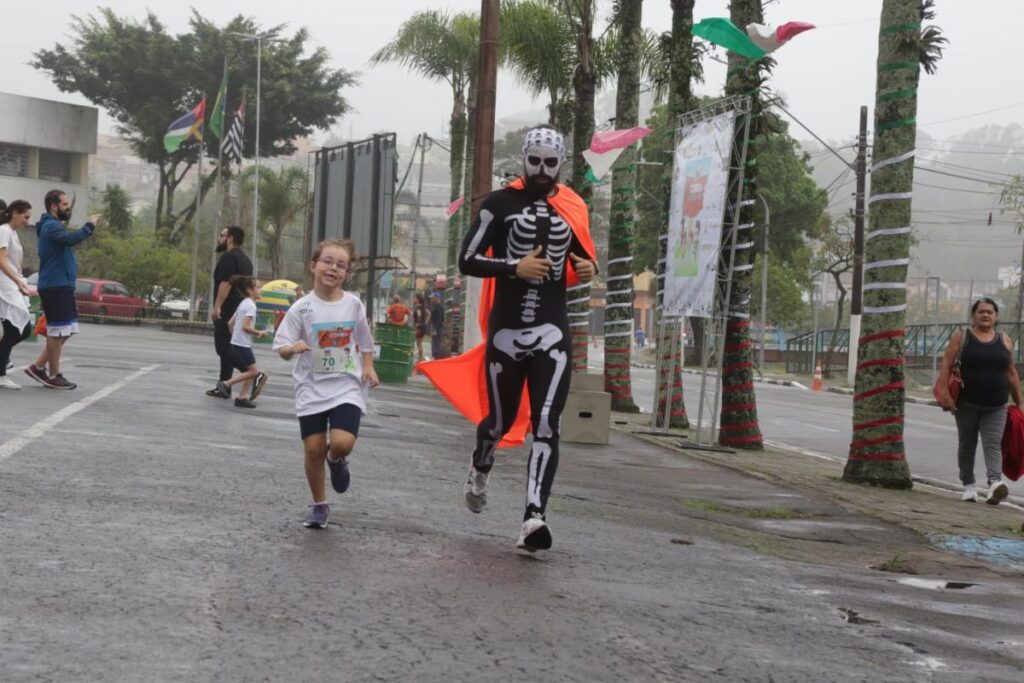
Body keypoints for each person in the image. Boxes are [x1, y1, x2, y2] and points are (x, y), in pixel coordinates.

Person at [451, 126, 597, 551]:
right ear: (523, 159)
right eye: (534, 161)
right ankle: (482, 462)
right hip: (507, 332)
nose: (541, 170)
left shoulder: (572, 207)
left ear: (561, 164)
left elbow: (583, 259)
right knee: (498, 420)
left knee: (548, 423)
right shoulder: (499, 204)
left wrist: (589, 270)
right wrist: (514, 267)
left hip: (552, 331)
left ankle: (534, 516)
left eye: (550, 163)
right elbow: (467, 259)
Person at [273, 239, 379, 529]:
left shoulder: (353, 305)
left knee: (342, 443)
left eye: (340, 265)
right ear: (314, 265)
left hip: (346, 384)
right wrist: (291, 348)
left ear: (347, 272)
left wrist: (368, 367)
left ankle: (336, 459)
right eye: (327, 262)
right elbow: (281, 348)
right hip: (311, 387)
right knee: (312, 449)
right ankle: (319, 505)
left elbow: (366, 342)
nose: (333, 268)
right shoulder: (302, 308)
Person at [938, 298, 1024, 504]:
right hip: (966, 403)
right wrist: (945, 394)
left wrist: (1020, 402)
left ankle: (994, 484)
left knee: (992, 444)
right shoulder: (962, 337)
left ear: (996, 317)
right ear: (973, 316)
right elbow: (947, 365)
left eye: (990, 312)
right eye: (981, 312)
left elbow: (1011, 373)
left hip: (997, 405)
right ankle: (968, 485)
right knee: (967, 444)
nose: (985, 315)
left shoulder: (1005, 340)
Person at [24, 190, 99, 390]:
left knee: (68, 329)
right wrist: (90, 225)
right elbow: (71, 239)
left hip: (63, 285)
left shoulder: (55, 226)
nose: (68, 208)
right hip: (55, 286)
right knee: (57, 331)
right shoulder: (50, 226)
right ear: (54, 206)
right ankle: (54, 375)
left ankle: (39, 367)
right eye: (65, 204)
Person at [206, 226, 253, 399]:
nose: (220, 238)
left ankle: (252, 372)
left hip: (227, 310)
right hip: (240, 309)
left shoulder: (228, 257)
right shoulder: (246, 260)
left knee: (223, 348)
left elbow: (226, 283)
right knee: (228, 347)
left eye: (222, 235)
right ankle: (223, 385)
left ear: (231, 238)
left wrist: (217, 306)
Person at [216, 276, 269, 408]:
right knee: (254, 372)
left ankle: (242, 397)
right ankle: (227, 384)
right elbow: (245, 326)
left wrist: (235, 337)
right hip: (242, 344)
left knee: (249, 370)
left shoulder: (243, 303)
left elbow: (230, 323)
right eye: (258, 287)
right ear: (249, 291)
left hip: (237, 342)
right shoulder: (251, 306)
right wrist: (259, 333)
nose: (260, 290)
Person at [0, 200, 33, 389]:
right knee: (14, 329)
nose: (27, 221)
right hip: (5, 287)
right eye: (25, 216)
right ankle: (1, 374)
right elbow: (2, 261)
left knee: (22, 330)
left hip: (13, 286)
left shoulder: (12, 233)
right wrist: (17, 280)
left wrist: (20, 281)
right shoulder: (4, 231)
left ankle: (1, 365)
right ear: (14, 213)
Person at [413, 293, 430, 363]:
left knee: (418, 343)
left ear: (418, 299)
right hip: (423, 326)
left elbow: (419, 316)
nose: (414, 299)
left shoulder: (418, 307)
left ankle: (420, 359)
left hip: (419, 327)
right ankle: (420, 358)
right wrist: (425, 323)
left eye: (415, 298)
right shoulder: (423, 306)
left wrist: (418, 324)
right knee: (419, 343)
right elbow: (429, 314)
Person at [430, 292, 445, 360]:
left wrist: (435, 329)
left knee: (437, 343)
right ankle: (436, 358)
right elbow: (442, 319)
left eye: (433, 298)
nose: (432, 299)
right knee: (435, 343)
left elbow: (439, 319)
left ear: (437, 298)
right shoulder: (438, 306)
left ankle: (437, 359)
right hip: (437, 327)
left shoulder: (438, 307)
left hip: (437, 328)